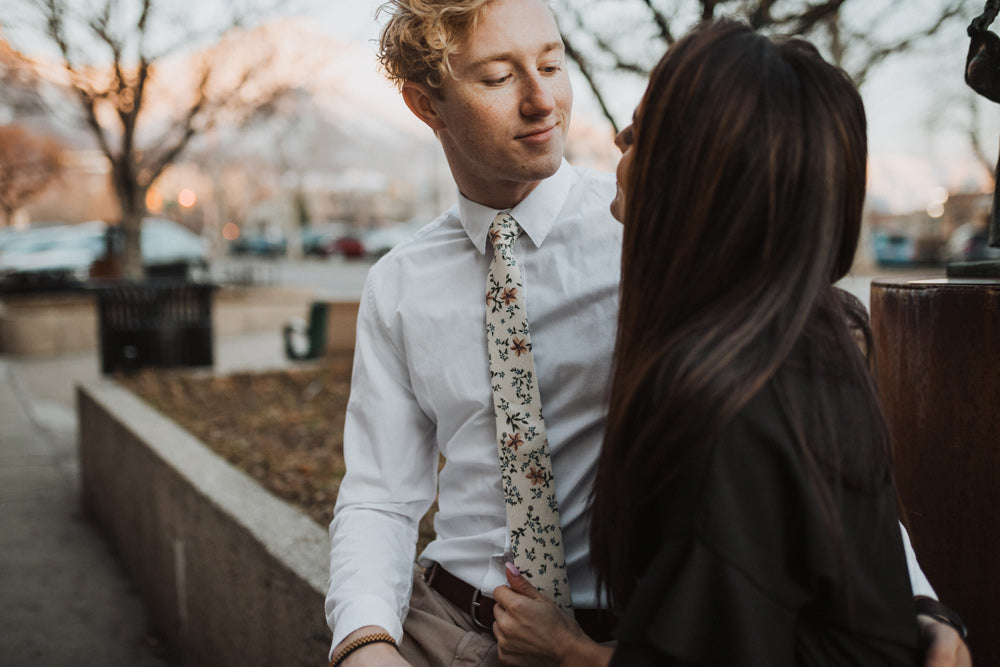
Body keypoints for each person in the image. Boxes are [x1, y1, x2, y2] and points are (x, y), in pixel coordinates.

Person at [324, 2, 966, 666]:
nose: (542, 100)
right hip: (452, 622)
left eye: (551, 63)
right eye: (497, 77)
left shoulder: (659, 228)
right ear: (427, 104)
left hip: (642, 637)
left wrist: (913, 602)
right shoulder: (399, 284)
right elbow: (379, 493)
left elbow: (808, 436)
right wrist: (364, 640)